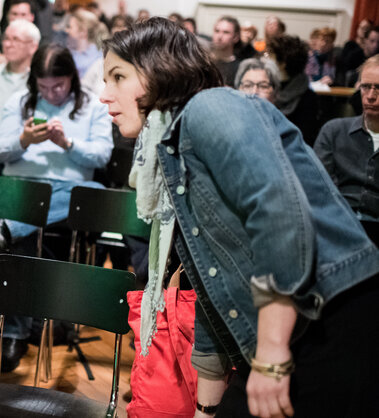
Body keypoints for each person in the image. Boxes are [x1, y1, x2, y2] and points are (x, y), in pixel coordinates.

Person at [101, 17, 379, 418]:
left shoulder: (211, 107)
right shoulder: (173, 149)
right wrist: (204, 408)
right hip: (289, 325)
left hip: (334, 316)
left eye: (118, 76)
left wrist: (270, 356)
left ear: (160, 70)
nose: (104, 94)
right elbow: (213, 286)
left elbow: (279, 216)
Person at [0, 43, 113, 372]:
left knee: (95, 191)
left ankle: (3, 230)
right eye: (44, 87)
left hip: (67, 193)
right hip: (22, 189)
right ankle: (15, 332)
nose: (52, 93)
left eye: (58, 86)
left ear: (72, 78)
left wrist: (67, 144)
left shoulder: (93, 106)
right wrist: (24, 140)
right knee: (27, 224)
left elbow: (101, 155)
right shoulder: (19, 101)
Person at [314, 54, 379, 222]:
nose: (371, 95)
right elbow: (319, 186)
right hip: (338, 221)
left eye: (378, 88)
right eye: (365, 87)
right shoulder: (334, 131)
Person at [268, 35, 321, 146]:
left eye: (270, 56)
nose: (266, 60)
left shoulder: (307, 98)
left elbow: (304, 139)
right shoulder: (266, 86)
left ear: (283, 64)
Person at [0, 0, 35, 70]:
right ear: (7, 15)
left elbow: (35, 64)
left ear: (31, 17)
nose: (18, 18)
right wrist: (22, 60)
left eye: (23, 14)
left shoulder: (37, 39)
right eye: (14, 14)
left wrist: (2, 58)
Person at [65, 9, 103, 78]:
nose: (67, 30)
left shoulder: (98, 58)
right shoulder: (67, 54)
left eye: (70, 27)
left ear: (83, 32)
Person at [211, 16, 241, 85]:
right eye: (217, 31)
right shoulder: (203, 62)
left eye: (226, 32)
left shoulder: (239, 67)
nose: (219, 36)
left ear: (235, 37)